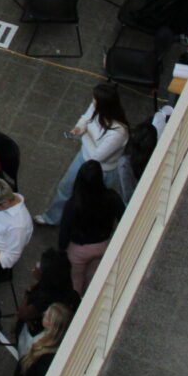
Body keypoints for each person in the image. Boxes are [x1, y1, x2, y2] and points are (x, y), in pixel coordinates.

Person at [35, 83, 129, 225]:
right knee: (65, 187)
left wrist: (83, 137)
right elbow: (86, 118)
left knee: (90, 200)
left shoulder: (118, 133)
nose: (92, 103)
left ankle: (82, 225)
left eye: (95, 101)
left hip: (100, 170)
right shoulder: (97, 108)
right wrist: (79, 128)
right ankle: (52, 218)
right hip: (83, 158)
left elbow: (96, 157)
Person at [59, 160, 124, 293]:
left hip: (79, 249)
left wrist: (61, 250)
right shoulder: (112, 197)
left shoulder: (73, 205)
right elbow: (123, 217)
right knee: (92, 276)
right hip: (102, 245)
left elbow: (64, 232)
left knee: (74, 284)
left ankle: (74, 307)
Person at [13, 251, 80, 353]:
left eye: (41, 265)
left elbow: (23, 313)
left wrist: (28, 292)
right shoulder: (68, 291)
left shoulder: (43, 299)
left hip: (36, 337)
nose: (37, 265)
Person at [13, 303, 72, 376]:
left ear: (52, 326)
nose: (44, 313)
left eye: (47, 317)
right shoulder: (46, 338)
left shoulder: (46, 358)